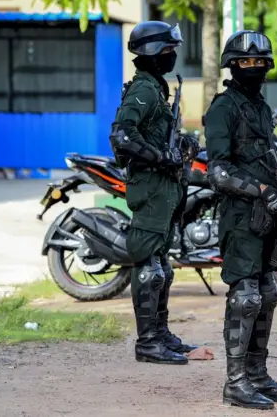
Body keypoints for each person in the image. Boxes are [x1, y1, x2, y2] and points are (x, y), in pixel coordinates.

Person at [204, 30, 277, 410]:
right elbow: (218, 171)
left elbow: (271, 160)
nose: (255, 67)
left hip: (269, 217)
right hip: (241, 216)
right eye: (246, 62)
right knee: (245, 297)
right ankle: (236, 381)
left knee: (268, 294)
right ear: (232, 65)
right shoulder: (223, 108)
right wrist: (261, 192)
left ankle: (258, 374)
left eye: (261, 62)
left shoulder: (260, 106)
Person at [109, 21, 199, 364]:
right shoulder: (144, 91)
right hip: (150, 187)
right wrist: (161, 157)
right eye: (168, 50)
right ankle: (148, 342)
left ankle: (160, 334)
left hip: (164, 188)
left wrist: (183, 143)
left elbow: (153, 134)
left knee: (162, 265)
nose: (173, 55)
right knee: (149, 264)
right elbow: (122, 136)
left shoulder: (156, 89)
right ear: (154, 53)